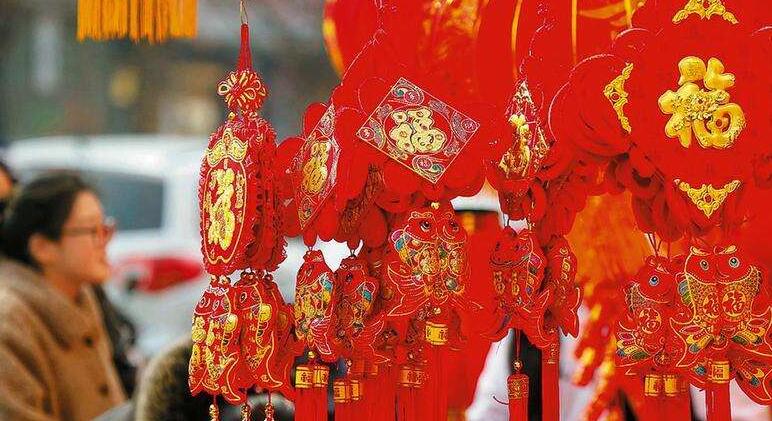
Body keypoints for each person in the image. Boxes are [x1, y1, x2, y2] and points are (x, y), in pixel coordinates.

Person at [0, 171, 126, 420]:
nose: (105, 241)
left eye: (105, 227)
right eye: (92, 230)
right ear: (42, 247)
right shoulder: (10, 323)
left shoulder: (82, 294)